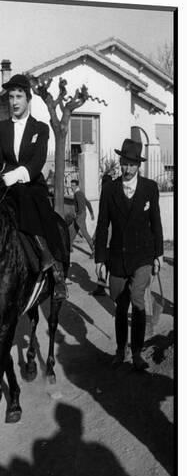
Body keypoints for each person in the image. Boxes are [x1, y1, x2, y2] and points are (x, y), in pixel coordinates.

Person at [0, 74, 67, 300]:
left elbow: (37, 161)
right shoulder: (1, 127)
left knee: (45, 215)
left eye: (18, 96)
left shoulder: (40, 128)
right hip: (6, 186)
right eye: (11, 97)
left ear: (28, 99)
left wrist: (15, 175)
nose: (14, 101)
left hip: (32, 185)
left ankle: (54, 267)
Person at [94, 139, 163, 370]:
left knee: (137, 298)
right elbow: (102, 226)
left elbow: (156, 223)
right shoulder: (109, 189)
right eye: (124, 163)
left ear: (138, 166)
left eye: (132, 165)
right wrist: (100, 259)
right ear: (120, 162)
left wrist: (159, 254)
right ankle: (120, 350)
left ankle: (137, 353)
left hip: (143, 255)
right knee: (121, 305)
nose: (127, 169)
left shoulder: (150, 188)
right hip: (117, 257)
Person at [69, 179, 95, 257]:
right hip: (82, 214)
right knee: (73, 230)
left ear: (77, 186)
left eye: (73, 185)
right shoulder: (81, 193)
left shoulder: (77, 194)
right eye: (71, 185)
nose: (71, 187)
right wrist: (91, 213)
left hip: (80, 215)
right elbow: (88, 203)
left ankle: (93, 249)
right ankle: (69, 246)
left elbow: (80, 206)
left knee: (84, 232)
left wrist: (77, 215)